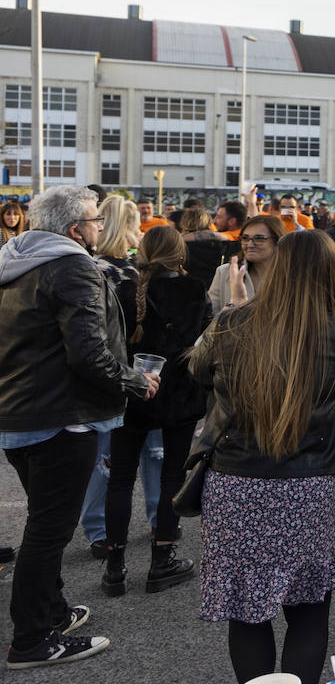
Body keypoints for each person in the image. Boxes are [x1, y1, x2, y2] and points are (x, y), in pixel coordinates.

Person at [189, 230, 335, 684]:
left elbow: (199, 370)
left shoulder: (232, 323)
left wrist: (235, 309)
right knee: (309, 608)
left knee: (248, 610)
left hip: (237, 482)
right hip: (305, 484)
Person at [0, 185, 158, 669]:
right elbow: (89, 352)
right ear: (74, 229)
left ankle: (51, 613)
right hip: (60, 417)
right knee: (48, 531)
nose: (98, 227)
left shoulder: (13, 258)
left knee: (45, 524)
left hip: (19, 412)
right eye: (94, 220)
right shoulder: (70, 266)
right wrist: (135, 380)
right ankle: (31, 640)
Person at [101, 227, 211, 598]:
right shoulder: (195, 289)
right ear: (180, 253)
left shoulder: (126, 289)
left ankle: (114, 566)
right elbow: (205, 342)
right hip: (179, 393)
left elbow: (108, 340)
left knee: (119, 478)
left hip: (131, 390)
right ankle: (162, 559)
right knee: (171, 476)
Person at [83, 197, 160, 560]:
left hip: (112, 373)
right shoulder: (113, 270)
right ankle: (152, 521)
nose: (140, 229)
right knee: (128, 455)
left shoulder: (108, 267)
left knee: (108, 458)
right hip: (125, 372)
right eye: (135, 222)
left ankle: (100, 531)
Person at [208, 214, 287, 312]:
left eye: (259, 238)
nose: (250, 244)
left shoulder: (292, 276)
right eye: (245, 238)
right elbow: (210, 318)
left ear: (277, 241)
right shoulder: (224, 272)